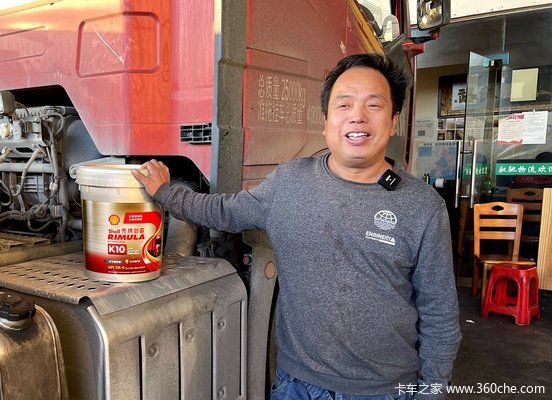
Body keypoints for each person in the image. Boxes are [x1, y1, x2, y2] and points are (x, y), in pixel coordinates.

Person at [133, 53, 461, 400]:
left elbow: (440, 315)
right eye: (344, 104)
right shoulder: (289, 183)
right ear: (326, 121)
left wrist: (431, 392)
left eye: (374, 105)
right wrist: (166, 193)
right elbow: (224, 211)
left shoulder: (421, 206)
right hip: (296, 385)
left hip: (384, 391)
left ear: (393, 121)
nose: (358, 116)